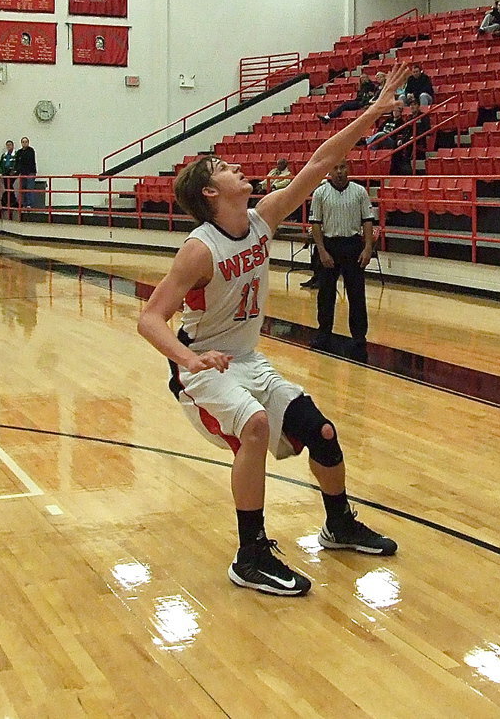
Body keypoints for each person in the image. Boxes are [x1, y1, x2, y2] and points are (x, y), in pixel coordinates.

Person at [137, 65, 408, 597]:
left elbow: (320, 161)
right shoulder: (200, 248)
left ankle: (338, 524)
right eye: (225, 167)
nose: (239, 167)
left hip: (247, 360)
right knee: (256, 426)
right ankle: (250, 553)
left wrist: (370, 115)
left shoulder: (262, 219)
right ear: (212, 192)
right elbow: (150, 317)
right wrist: (188, 361)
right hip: (202, 368)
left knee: (323, 433)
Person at [309, 160, 376, 359]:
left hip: (353, 245)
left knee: (356, 294)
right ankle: (323, 332)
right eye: (336, 167)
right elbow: (315, 224)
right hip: (329, 245)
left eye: (342, 167)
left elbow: (368, 221)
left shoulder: (359, 191)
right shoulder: (320, 193)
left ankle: (358, 337)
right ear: (330, 170)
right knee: (326, 294)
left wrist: (368, 248)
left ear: (348, 169)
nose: (339, 171)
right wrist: (321, 250)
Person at [15, 136, 37, 209]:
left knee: (29, 188)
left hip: (30, 172)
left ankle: (29, 204)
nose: (24, 143)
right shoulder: (19, 152)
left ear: (28, 143)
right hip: (23, 173)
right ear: (21, 143)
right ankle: (24, 204)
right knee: (23, 189)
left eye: (26, 142)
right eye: (23, 142)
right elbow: (17, 162)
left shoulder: (31, 151)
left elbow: (29, 161)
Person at [0, 139, 18, 212]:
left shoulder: (16, 154)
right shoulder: (4, 155)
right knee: (8, 187)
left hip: (12, 173)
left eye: (10, 145)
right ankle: (11, 201)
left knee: (9, 187)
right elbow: (0, 165)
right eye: (7, 145)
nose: (9, 146)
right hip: (5, 173)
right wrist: (0, 172)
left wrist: (14, 170)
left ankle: (6, 201)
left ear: (13, 145)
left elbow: (17, 163)